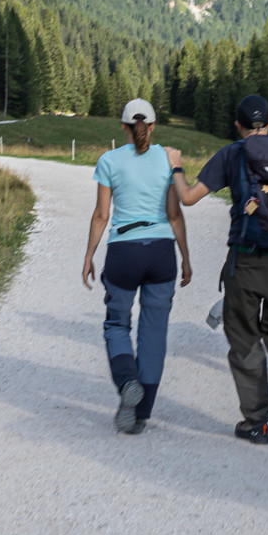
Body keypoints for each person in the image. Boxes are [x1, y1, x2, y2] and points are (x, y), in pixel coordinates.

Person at [168, 94, 268, 444]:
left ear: (238, 125)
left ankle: (257, 422)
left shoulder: (232, 153)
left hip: (246, 257)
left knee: (243, 338)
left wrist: (176, 167)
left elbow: (189, 197)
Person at [82, 99, 192, 435]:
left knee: (117, 324)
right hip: (161, 253)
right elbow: (174, 214)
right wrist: (185, 257)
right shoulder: (168, 159)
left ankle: (127, 381)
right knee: (154, 332)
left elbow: (102, 215)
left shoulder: (109, 161)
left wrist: (88, 256)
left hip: (123, 252)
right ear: (154, 126)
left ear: (123, 127)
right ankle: (141, 412)